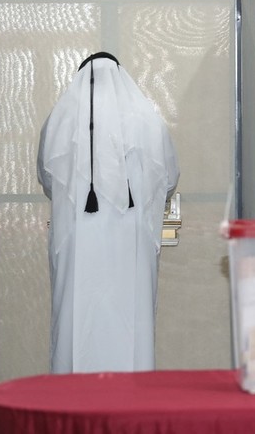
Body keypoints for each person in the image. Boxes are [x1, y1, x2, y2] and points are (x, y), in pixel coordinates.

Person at [37, 52, 180, 374]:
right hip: (131, 243)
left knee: (75, 323)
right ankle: (130, 399)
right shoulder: (146, 118)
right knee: (131, 324)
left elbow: (47, 178)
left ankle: (73, 400)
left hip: (75, 239)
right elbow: (169, 177)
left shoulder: (61, 118)